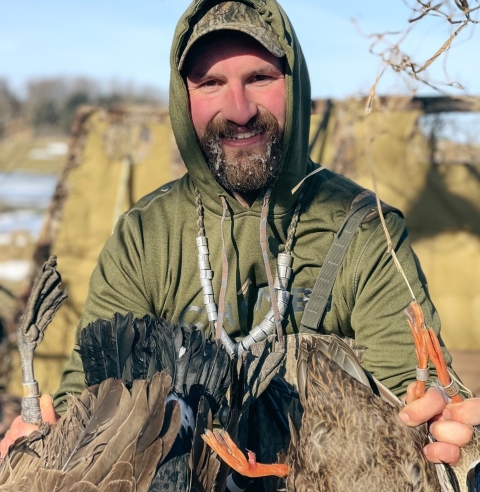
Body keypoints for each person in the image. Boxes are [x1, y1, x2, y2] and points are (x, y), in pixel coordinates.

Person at [1, 0, 478, 470]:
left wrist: (445, 423)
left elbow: (417, 388)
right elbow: (88, 395)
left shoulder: (364, 230)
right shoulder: (145, 237)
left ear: (294, 87)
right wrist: (49, 434)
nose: (240, 109)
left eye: (260, 78)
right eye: (211, 83)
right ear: (182, 99)